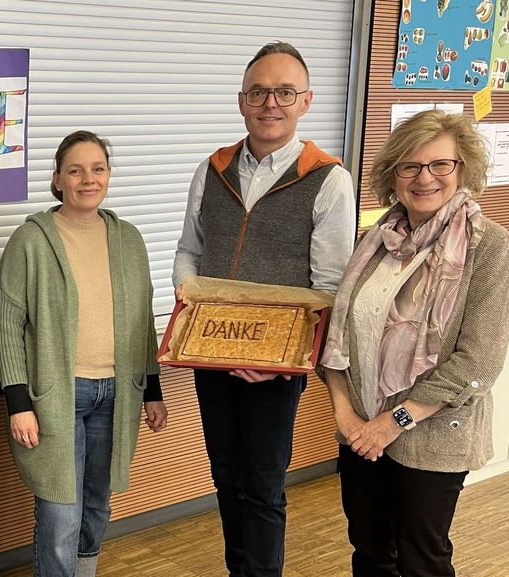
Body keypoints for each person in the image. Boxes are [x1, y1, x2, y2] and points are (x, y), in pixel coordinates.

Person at [172, 41, 356, 577]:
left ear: (305, 101)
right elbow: (190, 250)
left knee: (263, 485)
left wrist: (282, 356)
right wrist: (191, 307)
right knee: (226, 477)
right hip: (211, 352)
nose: (269, 102)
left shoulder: (328, 178)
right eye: (258, 91)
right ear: (241, 100)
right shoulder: (212, 169)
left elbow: (330, 286)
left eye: (284, 91)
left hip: (275, 364)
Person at [319, 109, 509, 577]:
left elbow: (478, 362)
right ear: (393, 175)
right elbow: (338, 337)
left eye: (439, 164)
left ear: (463, 168)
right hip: (361, 431)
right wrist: (348, 418)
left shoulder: (490, 247)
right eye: (410, 165)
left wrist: (392, 423)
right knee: (369, 550)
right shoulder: (375, 241)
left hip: (431, 437)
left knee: (422, 559)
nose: (425, 178)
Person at [0, 130, 168, 577]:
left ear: (108, 175)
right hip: (57, 396)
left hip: (117, 395)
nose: (87, 179)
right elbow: (9, 326)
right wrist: (18, 405)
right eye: (75, 170)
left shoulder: (128, 239)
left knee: (96, 505)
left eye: (97, 169)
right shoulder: (30, 240)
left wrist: (152, 391)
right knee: (59, 514)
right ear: (57, 180)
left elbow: (142, 319)